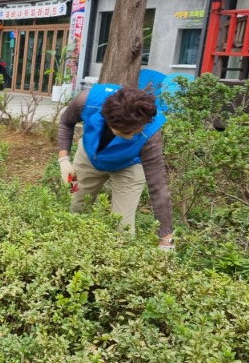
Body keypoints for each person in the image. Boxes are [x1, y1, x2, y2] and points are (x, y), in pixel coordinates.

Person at [57, 84, 175, 250]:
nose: (130, 137)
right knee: (73, 207)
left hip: (130, 165)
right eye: (125, 133)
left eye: (134, 132)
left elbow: (158, 187)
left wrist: (166, 238)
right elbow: (65, 122)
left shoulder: (150, 133)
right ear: (108, 119)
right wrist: (64, 160)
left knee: (123, 229)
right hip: (87, 157)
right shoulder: (86, 100)